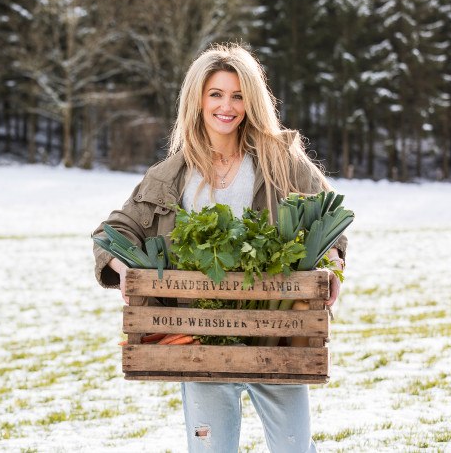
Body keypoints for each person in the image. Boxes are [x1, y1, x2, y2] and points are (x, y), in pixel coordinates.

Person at [91, 43, 347, 452]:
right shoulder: (170, 176)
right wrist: (123, 269)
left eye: (238, 95)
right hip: (203, 341)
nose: (226, 106)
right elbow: (114, 231)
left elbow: (327, 220)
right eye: (216, 94)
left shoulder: (280, 161)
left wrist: (332, 262)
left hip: (277, 335)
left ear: (251, 101)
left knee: (294, 448)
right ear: (197, 99)